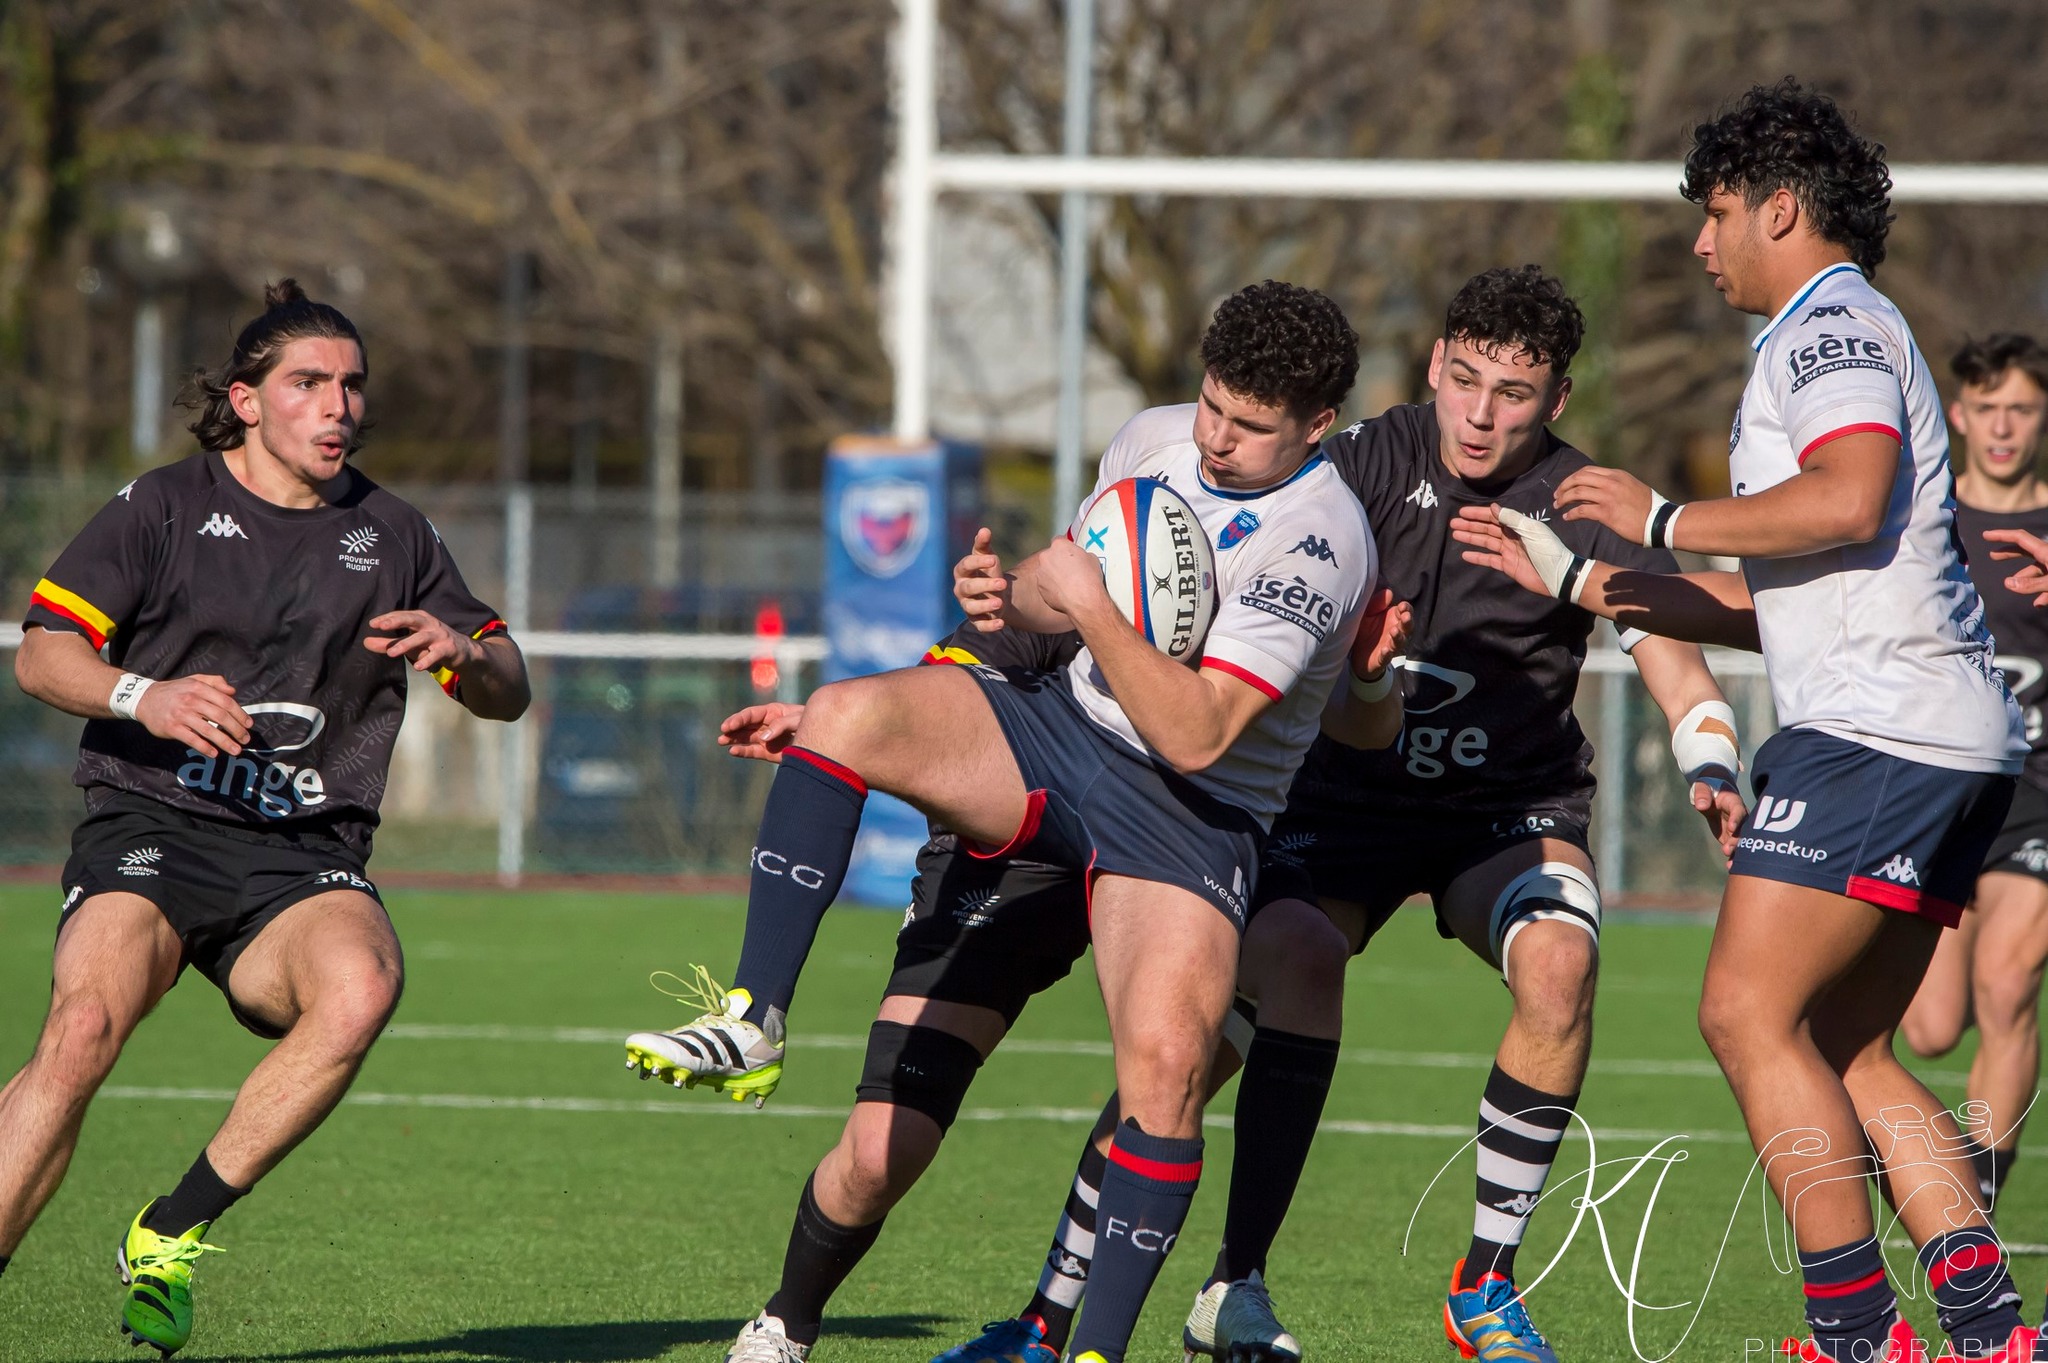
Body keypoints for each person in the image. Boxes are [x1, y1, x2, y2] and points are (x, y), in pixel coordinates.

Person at [944, 266, 1748, 1363]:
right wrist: (1030, 633)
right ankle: (1059, 1310)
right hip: (1328, 804)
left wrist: (1709, 754)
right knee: (1188, 1049)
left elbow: (1675, 664)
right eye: (1463, 379)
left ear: (1555, 400)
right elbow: (1174, 588)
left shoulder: (1587, 502)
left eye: (1512, 393)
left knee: (1559, 965)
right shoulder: (1350, 467)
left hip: (1501, 808)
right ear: (1433, 367)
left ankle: (1483, 1285)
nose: (1479, 412)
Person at [624, 280, 1376, 1363]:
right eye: (1210, 405)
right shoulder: (1151, 440)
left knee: (1162, 1075)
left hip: (1186, 813)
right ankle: (757, 1042)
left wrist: (1084, 605)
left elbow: (1199, 729)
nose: (1214, 439)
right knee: (843, 717)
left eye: (1251, 427)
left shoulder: (1319, 539)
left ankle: (1089, 1351)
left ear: (1317, 426)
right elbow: (1049, 607)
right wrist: (1008, 592)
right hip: (1055, 738)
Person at [1452, 80, 2035, 1363]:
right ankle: (1991, 1334)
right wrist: (1579, 578)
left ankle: (1851, 1331)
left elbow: (1841, 497)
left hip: (1876, 734)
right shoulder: (1842, 329)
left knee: (1741, 1016)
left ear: (1781, 207)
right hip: (1940, 731)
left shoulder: (1825, 329)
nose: (1702, 244)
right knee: (1847, 1044)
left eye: (1715, 215)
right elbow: (1779, 590)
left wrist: (1657, 515)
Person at [0, 281, 529, 1357]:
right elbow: (43, 653)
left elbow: (509, 684)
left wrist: (467, 654)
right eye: (308, 384)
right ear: (246, 400)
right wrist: (145, 694)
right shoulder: (159, 506)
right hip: (151, 819)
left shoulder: (393, 531)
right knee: (84, 1028)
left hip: (302, 851)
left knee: (363, 985)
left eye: (351, 385)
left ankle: (170, 1228)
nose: (339, 406)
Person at [702, 589, 1405, 1363]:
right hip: (1029, 845)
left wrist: (1369, 678)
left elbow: (1356, 723)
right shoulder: (1110, 536)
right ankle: (786, 1323)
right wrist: (839, 725)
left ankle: (1223, 1285)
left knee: (1285, 971)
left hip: (1185, 833)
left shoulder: (1291, 555)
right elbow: (955, 701)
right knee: (879, 1150)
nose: (1216, 459)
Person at [1901, 334, 2048, 1215]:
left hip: (2040, 793)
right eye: (1986, 408)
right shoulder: (1927, 522)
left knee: (2007, 982)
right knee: (1926, 1028)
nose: (2002, 427)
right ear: (1957, 414)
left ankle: (1977, 1205)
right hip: (1950, 790)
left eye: (2021, 409)